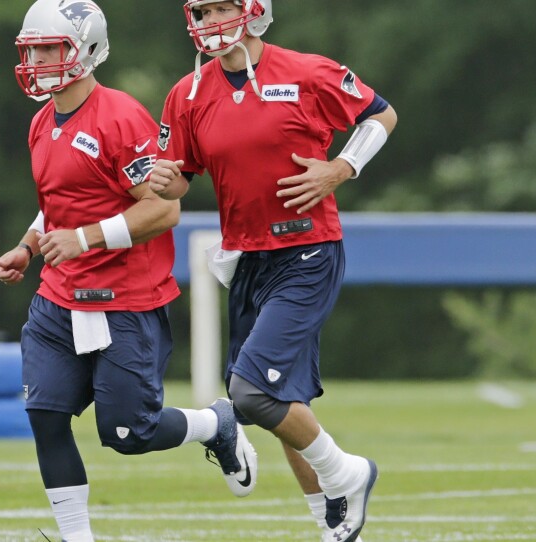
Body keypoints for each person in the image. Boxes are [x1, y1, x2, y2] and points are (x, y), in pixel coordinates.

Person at [0, 1, 257, 540]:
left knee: (127, 433)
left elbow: (163, 209)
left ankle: (216, 423)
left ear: (86, 50)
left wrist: (85, 239)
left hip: (125, 300)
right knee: (45, 415)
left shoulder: (120, 117)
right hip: (59, 299)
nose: (39, 60)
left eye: (50, 48)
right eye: (33, 49)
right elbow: (62, 202)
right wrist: (28, 245)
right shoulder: (43, 121)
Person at [149, 1, 398, 541]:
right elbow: (177, 181)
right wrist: (161, 178)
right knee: (284, 399)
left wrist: (341, 167)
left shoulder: (306, 71)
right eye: (204, 9)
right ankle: (328, 521)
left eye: (223, 8)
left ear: (252, 9)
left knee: (252, 393)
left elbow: (381, 114)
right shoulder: (187, 93)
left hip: (307, 250)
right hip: (246, 260)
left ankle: (348, 475)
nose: (212, 21)